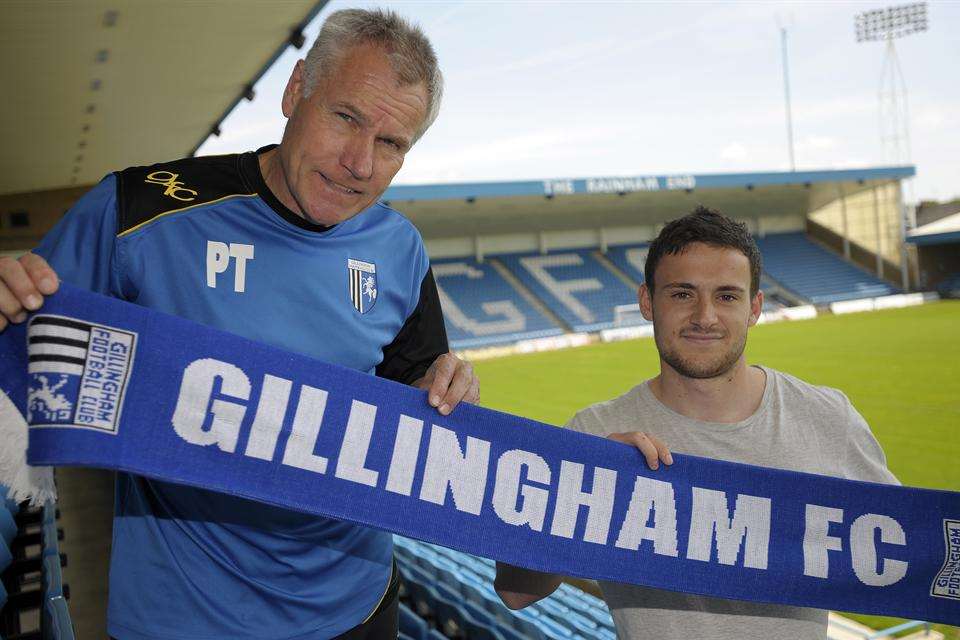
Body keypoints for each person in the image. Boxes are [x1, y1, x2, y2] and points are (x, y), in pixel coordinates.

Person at [0, 9, 478, 640]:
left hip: (358, 607)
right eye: (346, 118)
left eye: (391, 144)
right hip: (185, 618)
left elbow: (414, 391)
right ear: (295, 90)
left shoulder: (400, 248)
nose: (361, 163)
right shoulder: (138, 212)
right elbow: (18, 367)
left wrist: (446, 387)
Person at [494, 206, 897, 640]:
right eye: (682, 294)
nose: (705, 316)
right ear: (648, 302)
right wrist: (579, 492)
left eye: (727, 296)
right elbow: (517, 592)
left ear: (755, 307)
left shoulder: (827, 416)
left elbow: (908, 554)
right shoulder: (595, 432)